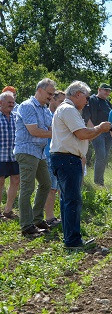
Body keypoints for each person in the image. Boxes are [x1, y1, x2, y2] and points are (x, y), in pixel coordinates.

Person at [50, 81, 112, 249]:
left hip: (65, 158)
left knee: (67, 200)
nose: (87, 101)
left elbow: (83, 136)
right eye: (85, 97)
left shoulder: (67, 109)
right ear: (77, 94)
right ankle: (72, 241)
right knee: (72, 201)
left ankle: (70, 238)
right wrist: (100, 128)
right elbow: (83, 133)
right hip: (67, 160)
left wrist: (96, 131)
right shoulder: (69, 110)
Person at [14, 78, 55, 238]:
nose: (51, 97)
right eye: (49, 93)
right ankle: (26, 225)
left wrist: (56, 132)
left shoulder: (45, 110)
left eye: (52, 94)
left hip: (40, 152)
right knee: (27, 188)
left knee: (46, 184)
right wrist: (57, 133)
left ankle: (37, 219)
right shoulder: (27, 106)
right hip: (27, 151)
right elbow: (35, 131)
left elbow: (51, 128)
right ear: (39, 90)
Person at [82, 83, 112, 186]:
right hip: (97, 132)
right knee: (101, 155)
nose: (107, 92)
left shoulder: (108, 102)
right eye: (105, 90)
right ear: (99, 89)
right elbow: (87, 115)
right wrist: (92, 131)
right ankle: (98, 182)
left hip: (108, 134)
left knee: (104, 157)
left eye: (109, 91)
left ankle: (101, 181)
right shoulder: (91, 99)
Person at [43, 90, 66, 227]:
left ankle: (56, 216)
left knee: (58, 188)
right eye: (60, 101)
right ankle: (49, 217)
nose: (62, 104)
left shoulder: (61, 115)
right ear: (52, 100)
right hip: (47, 155)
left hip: (58, 155)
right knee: (51, 188)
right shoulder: (47, 115)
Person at [0, 91, 20, 220]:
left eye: (13, 102)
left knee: (16, 180)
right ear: (1, 103)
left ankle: (8, 210)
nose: (12, 104)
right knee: (0, 181)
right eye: (9, 102)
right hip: (0, 155)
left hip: (13, 155)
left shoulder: (16, 116)